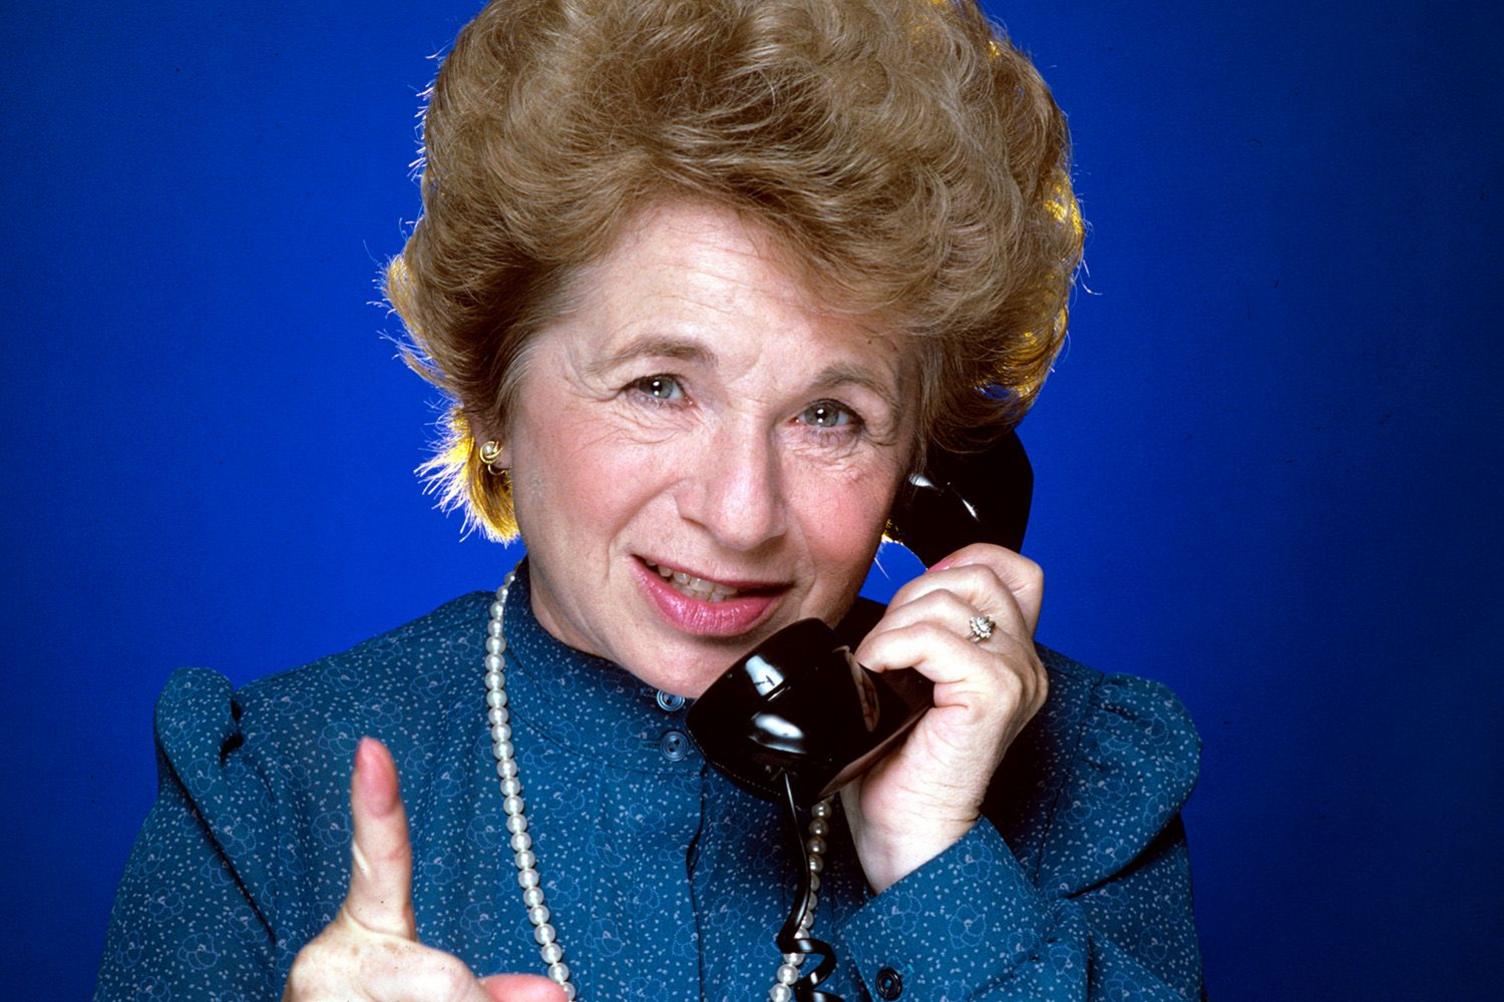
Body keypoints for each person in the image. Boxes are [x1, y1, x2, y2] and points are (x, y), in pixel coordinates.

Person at [95, 1, 1203, 999]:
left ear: (929, 464)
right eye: (659, 386)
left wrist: (938, 872)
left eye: (831, 416)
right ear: (492, 391)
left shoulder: (1084, 781)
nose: (738, 512)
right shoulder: (266, 793)